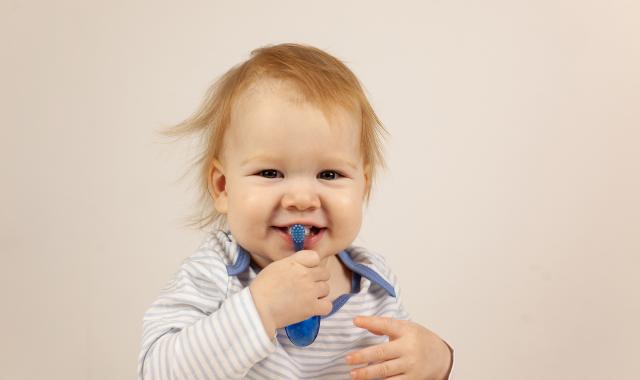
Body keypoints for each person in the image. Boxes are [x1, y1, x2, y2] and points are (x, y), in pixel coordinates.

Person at [138, 43, 454, 379]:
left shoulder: (375, 285)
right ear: (223, 187)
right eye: (270, 173)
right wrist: (260, 311)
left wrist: (436, 362)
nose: (302, 199)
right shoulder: (216, 274)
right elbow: (157, 371)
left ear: (363, 186)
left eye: (329, 175)